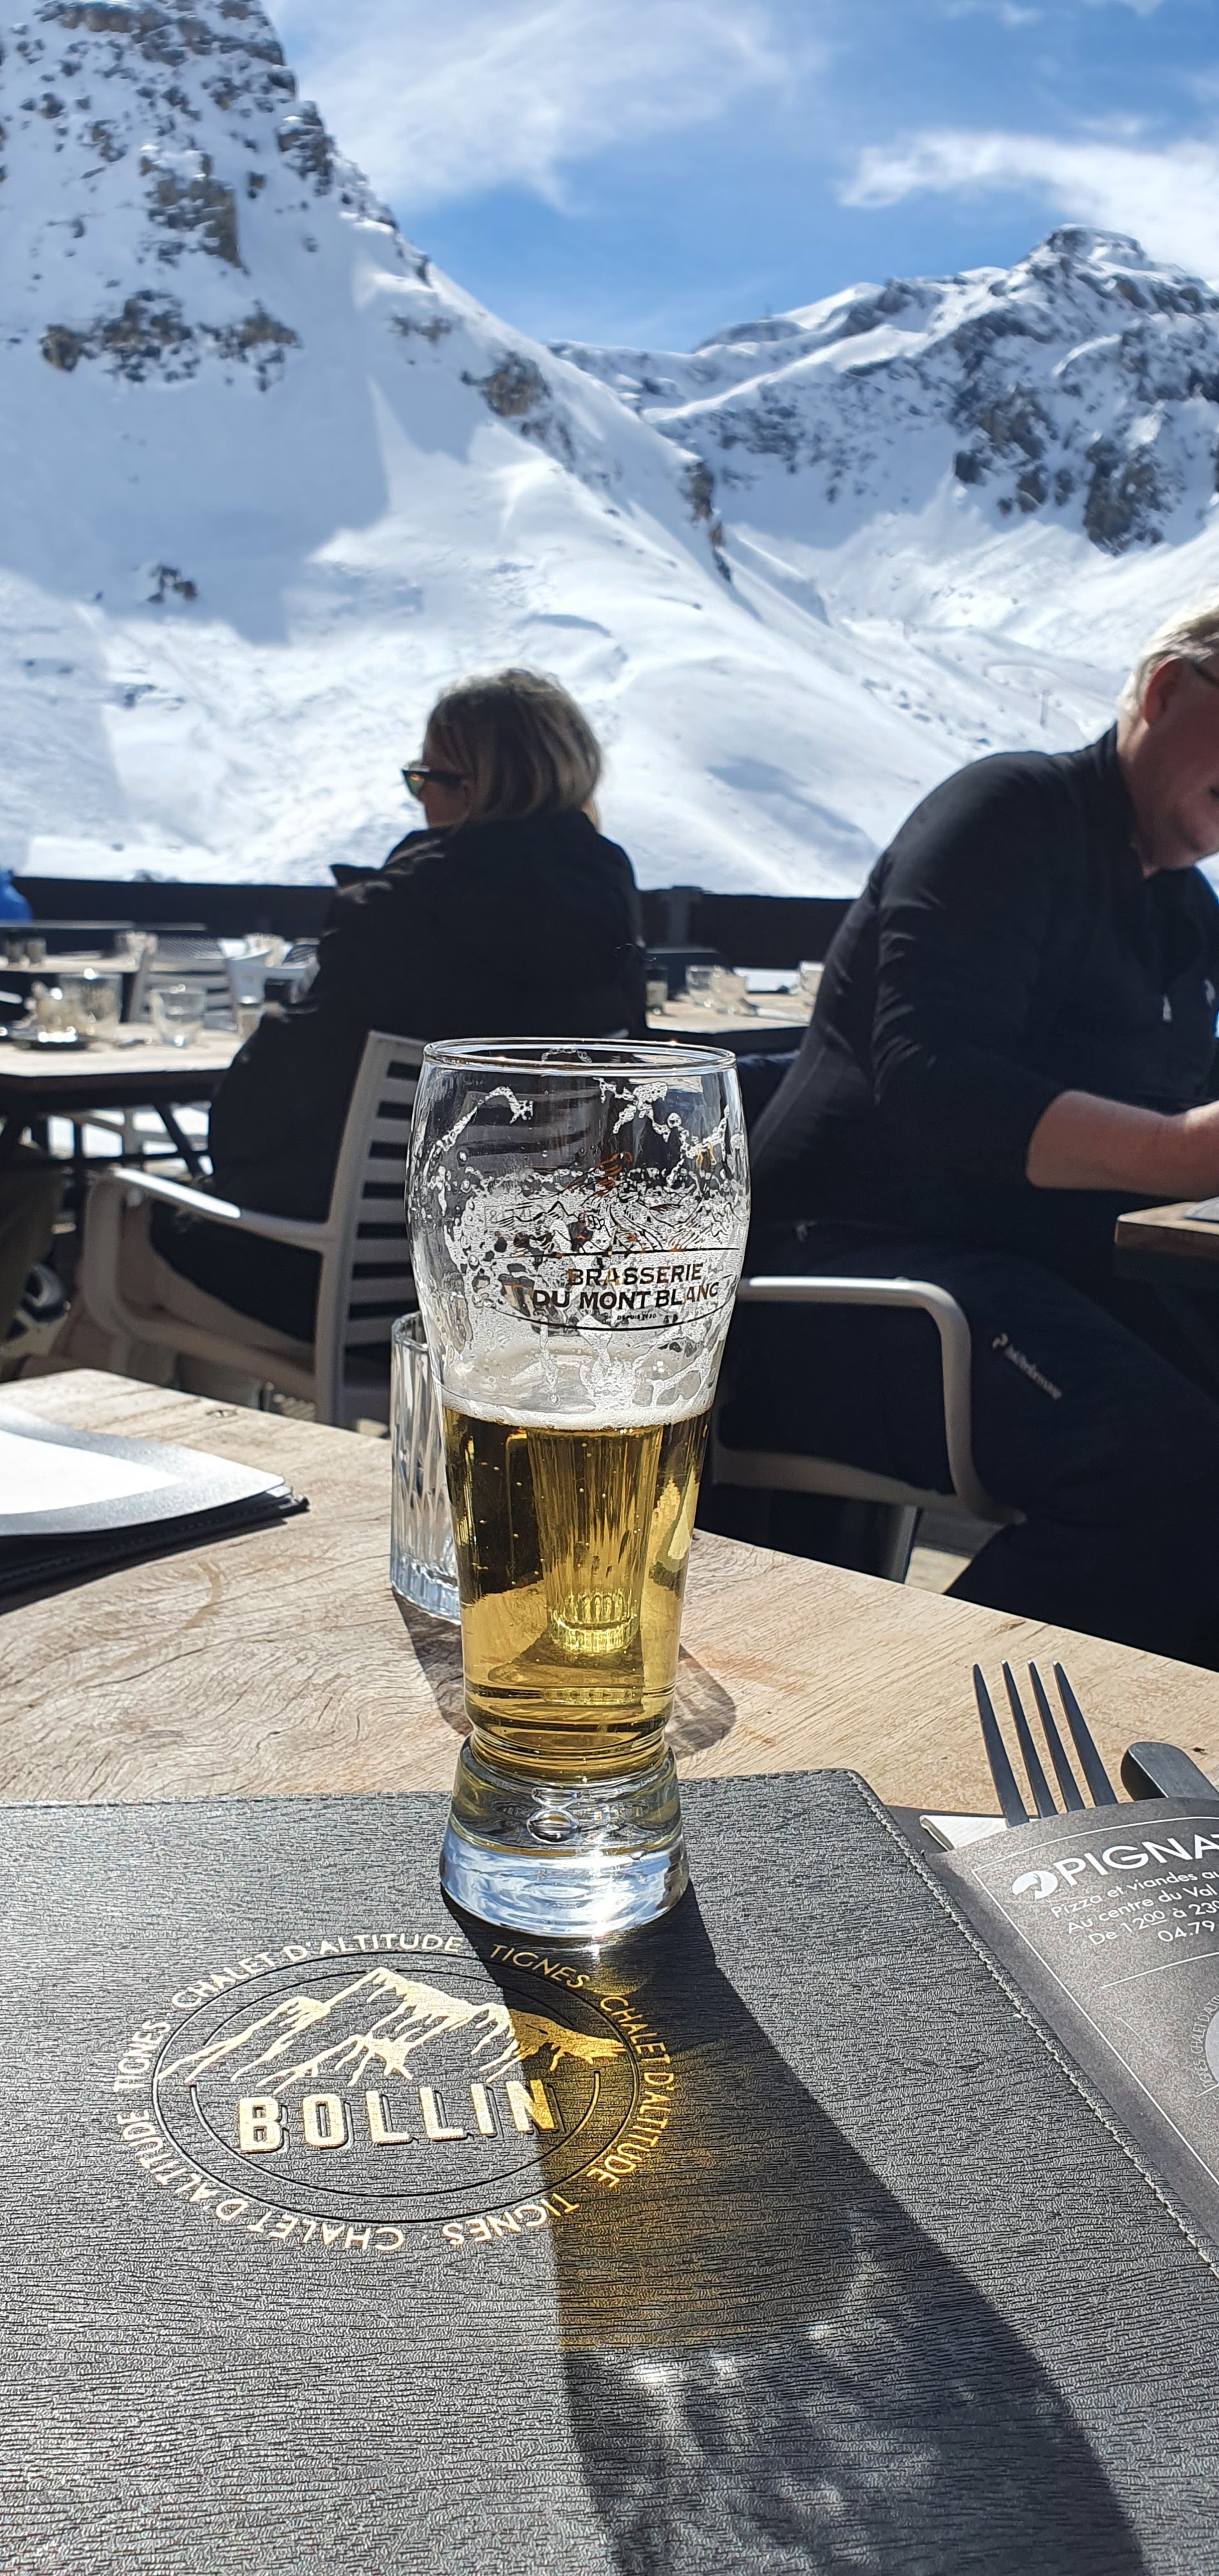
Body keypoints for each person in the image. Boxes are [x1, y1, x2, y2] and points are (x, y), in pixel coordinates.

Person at [723, 598, 1219, 1663]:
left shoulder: (1183, 912)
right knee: (1162, 1468)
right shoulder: (1009, 811)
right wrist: (1180, 1151)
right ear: (1166, 688)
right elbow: (933, 1083)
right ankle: (923, 1733)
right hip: (836, 1271)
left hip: (1017, 1278)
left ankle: (1154, 1750)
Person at [95, 670, 646, 1373]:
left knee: (120, 1229)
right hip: (530, 1304)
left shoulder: (396, 913)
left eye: (426, 779)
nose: (420, 798)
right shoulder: (611, 912)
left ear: (476, 787)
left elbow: (248, 1124)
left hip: (348, 1295)